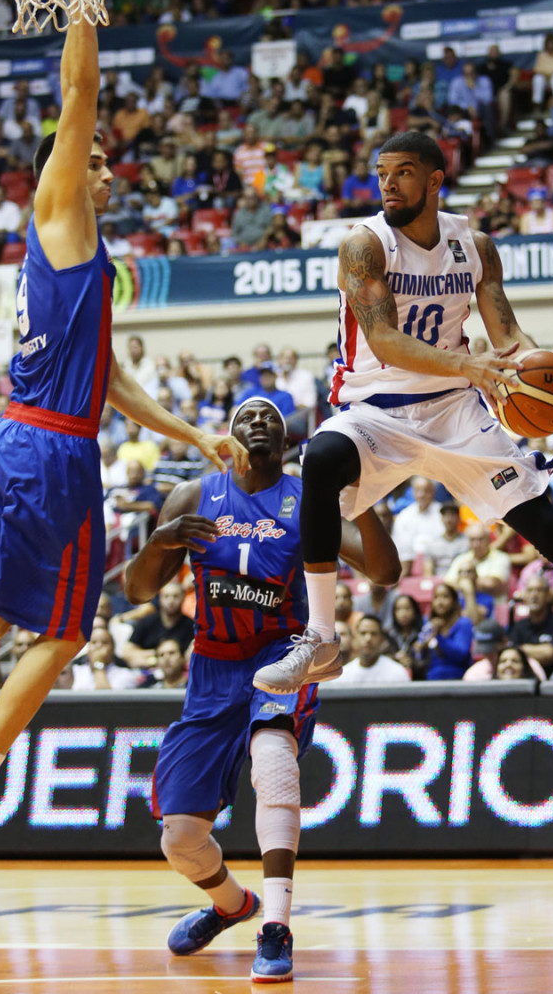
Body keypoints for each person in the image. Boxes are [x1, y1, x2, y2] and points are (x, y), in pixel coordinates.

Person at [253, 131, 553, 726]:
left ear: (435, 179)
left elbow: (507, 337)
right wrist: (472, 365)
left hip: (455, 412)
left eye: (402, 172)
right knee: (318, 459)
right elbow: (385, 342)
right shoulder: (364, 244)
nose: (388, 184)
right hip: (377, 408)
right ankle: (321, 638)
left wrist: (542, 372)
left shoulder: (473, 246)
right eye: (381, 173)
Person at [0, 0, 247, 777]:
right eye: (93, 160)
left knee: (4, 617)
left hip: (33, 438)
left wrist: (190, 435)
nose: (106, 170)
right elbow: (80, 97)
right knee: (63, 632)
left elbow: (109, 382)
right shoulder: (59, 211)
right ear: (64, 169)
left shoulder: (88, 261)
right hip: (48, 452)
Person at [123, 396, 400, 982]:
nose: (259, 423)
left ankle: (275, 928)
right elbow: (138, 590)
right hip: (212, 671)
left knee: (274, 760)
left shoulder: (306, 500)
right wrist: (162, 539)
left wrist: (362, 504)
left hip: (281, 656)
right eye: (248, 417)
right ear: (228, 436)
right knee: (180, 839)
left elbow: (384, 572)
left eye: (271, 420)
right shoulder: (194, 496)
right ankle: (232, 905)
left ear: (287, 443)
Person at [413, 581, 476, 681]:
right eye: (436, 597)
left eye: (445, 597)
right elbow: (419, 654)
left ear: (454, 601)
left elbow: (461, 655)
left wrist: (439, 636)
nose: (440, 601)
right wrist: (421, 648)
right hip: (431, 679)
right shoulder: (428, 624)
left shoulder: (464, 623)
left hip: (458, 679)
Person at [334, 613, 410, 685]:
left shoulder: (397, 674)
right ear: (355, 638)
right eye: (363, 633)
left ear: (382, 639)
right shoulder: (343, 676)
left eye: (373, 634)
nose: (368, 638)